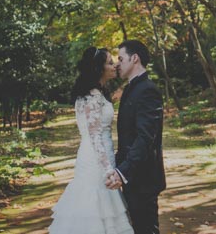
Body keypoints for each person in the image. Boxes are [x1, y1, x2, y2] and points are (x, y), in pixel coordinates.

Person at [48, 47, 134, 234]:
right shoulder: (92, 98)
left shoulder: (97, 94)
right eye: (110, 63)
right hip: (96, 159)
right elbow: (95, 136)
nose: (114, 66)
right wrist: (108, 170)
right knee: (94, 206)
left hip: (101, 154)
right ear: (99, 69)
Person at [105, 40, 165, 234]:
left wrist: (123, 172)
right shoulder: (131, 88)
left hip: (143, 177)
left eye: (121, 59)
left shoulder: (147, 90)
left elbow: (145, 137)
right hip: (131, 174)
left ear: (135, 58)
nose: (117, 64)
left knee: (146, 229)